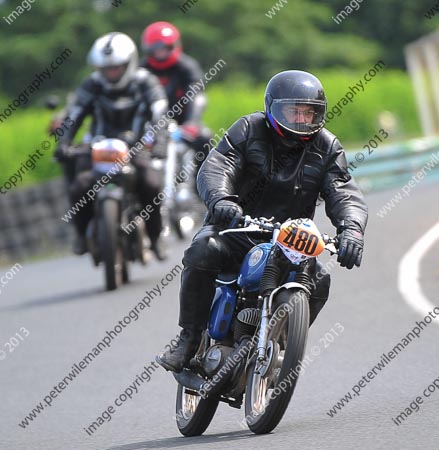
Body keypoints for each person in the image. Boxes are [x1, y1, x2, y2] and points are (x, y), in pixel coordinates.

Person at [156, 70, 368, 372]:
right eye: (293, 111)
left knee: (320, 280)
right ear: (272, 108)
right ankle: (189, 338)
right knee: (202, 251)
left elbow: (343, 191)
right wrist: (222, 200)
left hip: (289, 239)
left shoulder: (327, 146)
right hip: (235, 228)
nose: (301, 120)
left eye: (309, 113)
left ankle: (280, 341)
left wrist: (352, 230)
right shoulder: (248, 129)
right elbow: (218, 165)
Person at [57, 32, 169, 258]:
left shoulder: (146, 82)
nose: (111, 73)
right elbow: (74, 115)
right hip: (97, 149)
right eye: (106, 69)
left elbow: (160, 114)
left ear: (129, 63)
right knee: (79, 185)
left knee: (151, 183)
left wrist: (160, 142)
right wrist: (64, 142)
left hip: (136, 148)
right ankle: (81, 235)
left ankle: (155, 237)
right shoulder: (91, 85)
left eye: (116, 68)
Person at [140, 21, 214, 172]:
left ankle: (203, 186)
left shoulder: (187, 67)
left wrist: (192, 122)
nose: (160, 53)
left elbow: (196, 94)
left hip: (183, 123)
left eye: (164, 48)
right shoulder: (142, 70)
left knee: (204, 138)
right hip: (151, 125)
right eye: (155, 49)